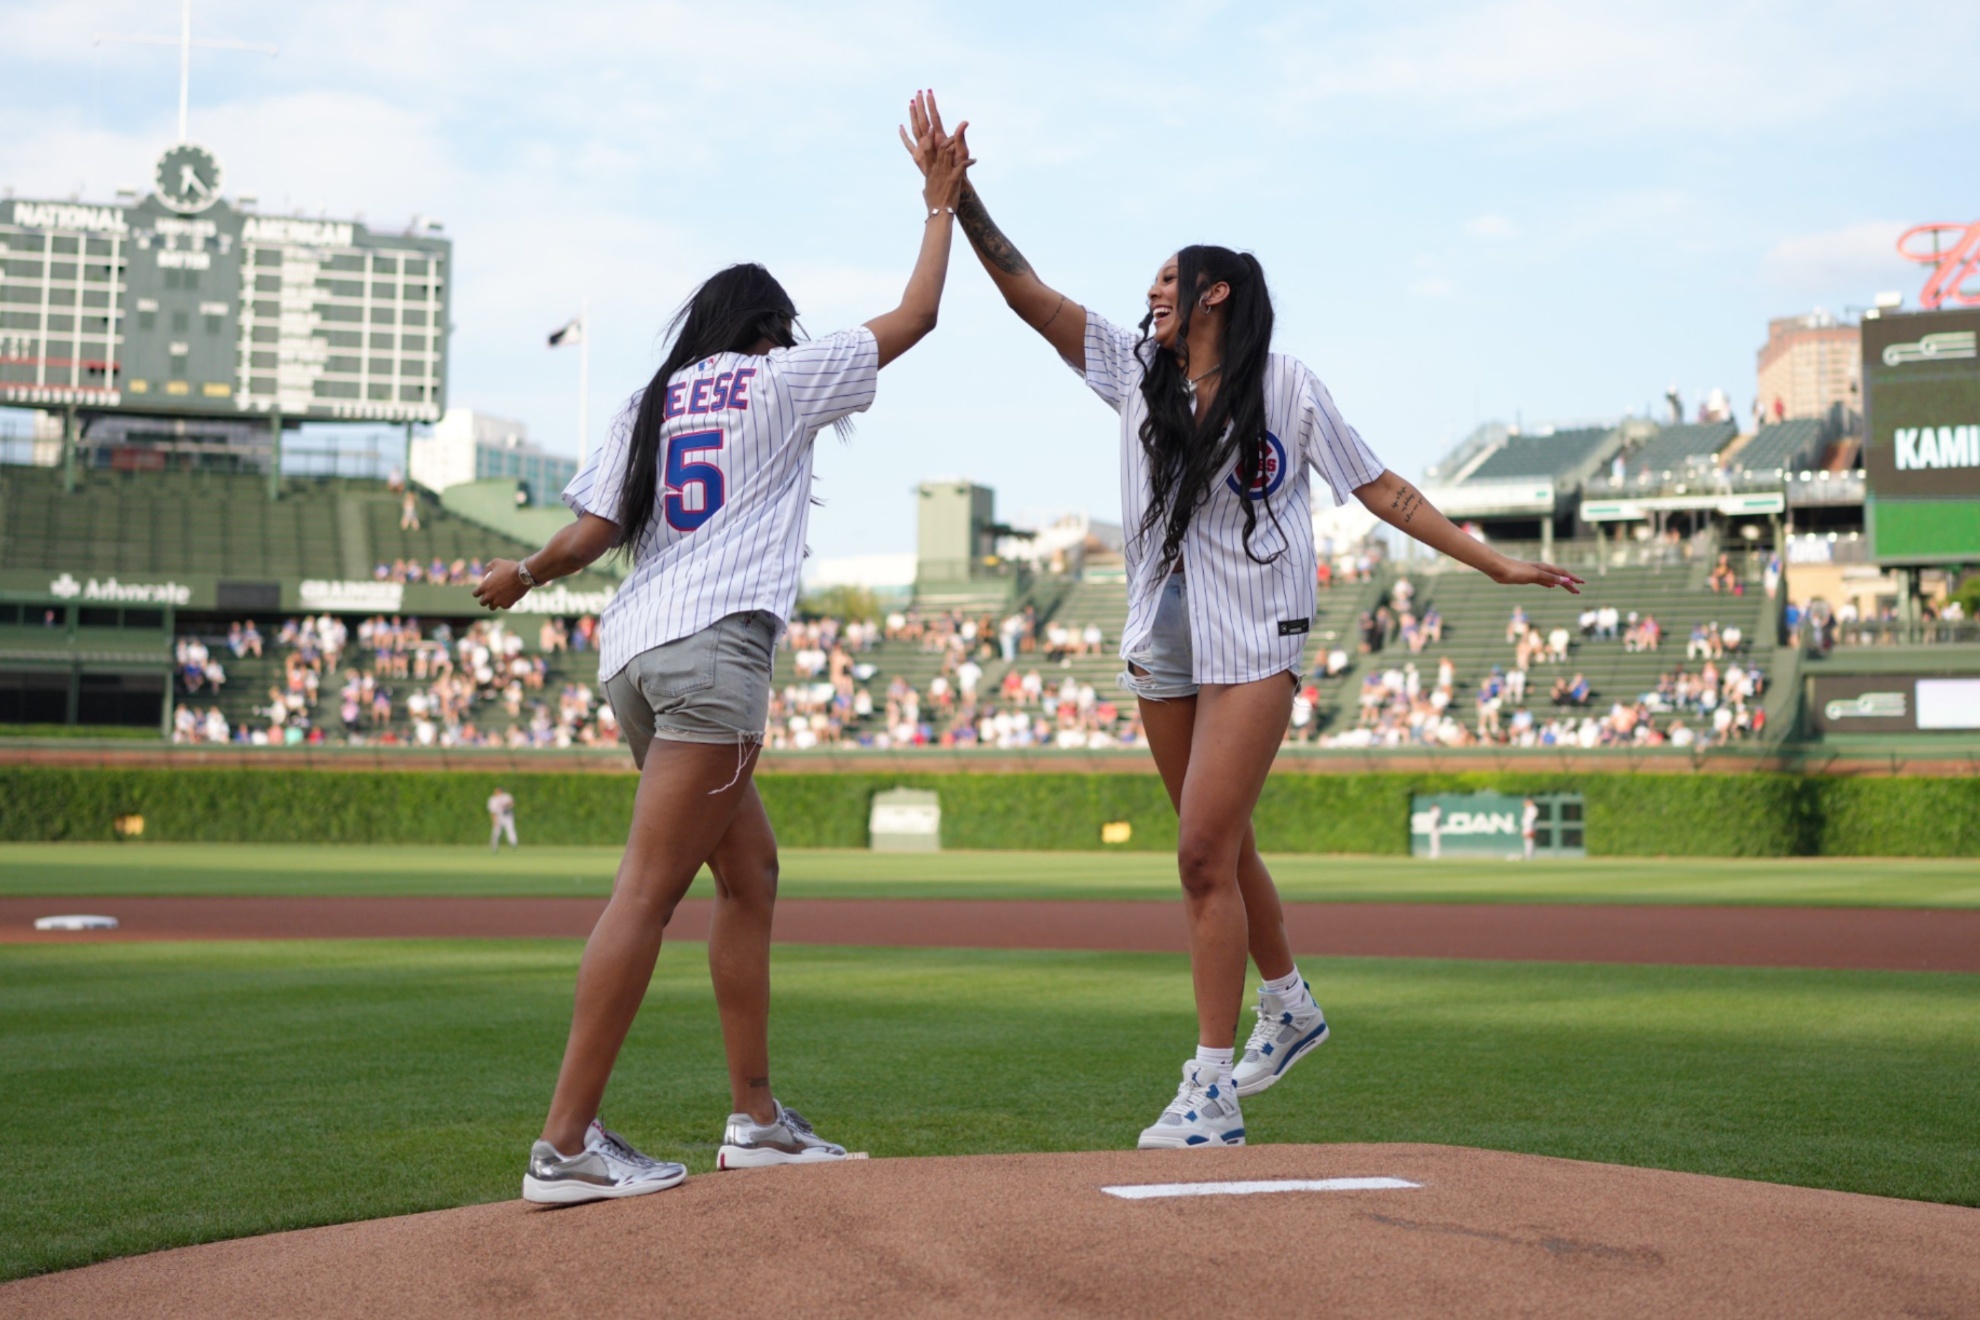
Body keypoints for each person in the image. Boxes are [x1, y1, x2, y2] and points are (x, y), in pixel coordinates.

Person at [902, 94, 1581, 1150]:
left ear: (1216, 290)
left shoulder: (1289, 387)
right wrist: (957, 194)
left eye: (1169, 279)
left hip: (1256, 639)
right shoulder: (1135, 371)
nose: (1151, 294)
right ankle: (1293, 1004)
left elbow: (1385, 491)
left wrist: (1492, 562)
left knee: (1200, 855)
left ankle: (1210, 1089)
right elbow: (1027, 294)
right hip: (1159, 643)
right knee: (1220, 849)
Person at [475, 100, 970, 1204]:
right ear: (768, 329)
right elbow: (919, 315)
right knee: (647, 894)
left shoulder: (647, 399)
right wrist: (939, 203)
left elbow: (595, 532)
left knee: (749, 875)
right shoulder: (781, 379)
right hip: (714, 652)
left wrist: (523, 576)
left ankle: (755, 1120)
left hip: (634, 661)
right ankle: (564, 1146)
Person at [488, 787, 518, 852]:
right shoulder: (493, 799)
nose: (496, 792)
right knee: (496, 831)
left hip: (507, 816)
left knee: (510, 829)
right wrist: (494, 820)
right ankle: (494, 846)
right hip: (498, 816)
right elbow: (492, 811)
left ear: (501, 791)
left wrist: (507, 805)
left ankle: (513, 843)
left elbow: (512, 803)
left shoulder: (506, 796)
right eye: (496, 791)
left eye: (497, 791)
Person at [1521, 796, 1540, 861]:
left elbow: (1531, 820)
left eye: (1526, 802)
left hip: (1530, 827)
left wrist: (1530, 830)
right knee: (1527, 842)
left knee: (1530, 842)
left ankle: (1530, 855)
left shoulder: (1533, 809)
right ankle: (1527, 854)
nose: (1525, 803)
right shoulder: (1527, 809)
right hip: (1526, 827)